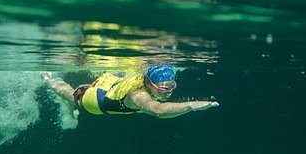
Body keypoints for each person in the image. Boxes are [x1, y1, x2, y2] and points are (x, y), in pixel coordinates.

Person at [43, 65, 219, 118]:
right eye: (163, 88)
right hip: (97, 101)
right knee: (74, 95)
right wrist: (191, 105)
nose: (168, 92)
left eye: (172, 86)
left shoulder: (149, 77)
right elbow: (159, 111)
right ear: (148, 84)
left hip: (116, 83)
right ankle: (49, 80)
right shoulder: (139, 95)